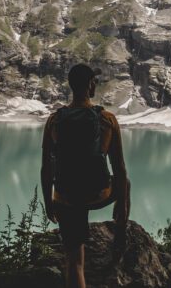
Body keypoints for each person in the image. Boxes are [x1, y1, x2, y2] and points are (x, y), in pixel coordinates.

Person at [41, 64, 130, 288]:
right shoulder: (107, 119)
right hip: (97, 194)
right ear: (90, 84)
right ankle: (120, 233)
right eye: (94, 81)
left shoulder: (54, 120)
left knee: (75, 263)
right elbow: (119, 168)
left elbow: (46, 169)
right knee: (125, 182)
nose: (96, 84)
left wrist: (48, 202)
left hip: (65, 197)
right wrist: (122, 201)